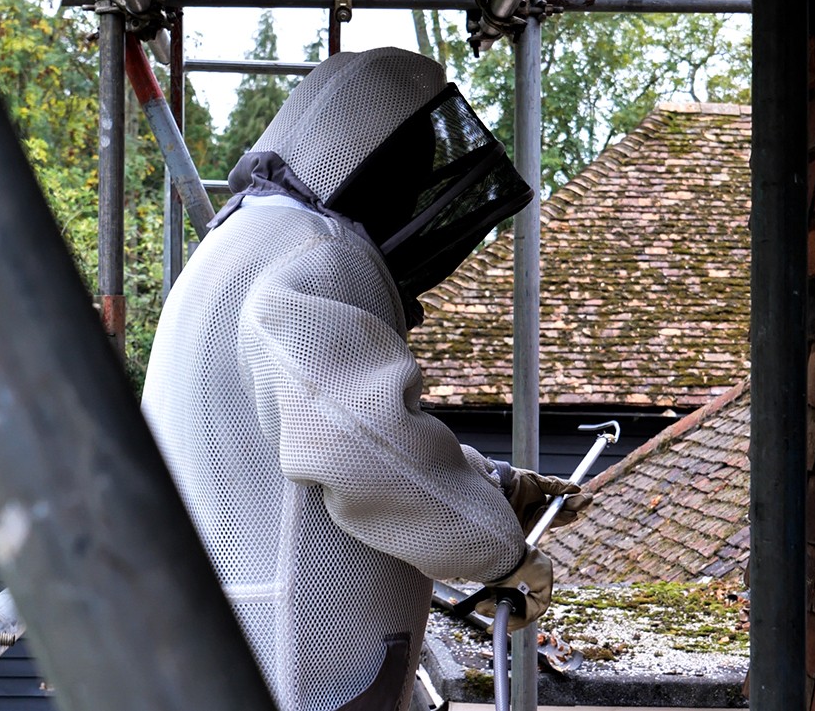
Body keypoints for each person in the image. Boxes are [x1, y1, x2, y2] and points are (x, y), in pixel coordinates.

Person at [141, 47, 591, 711]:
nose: (411, 197)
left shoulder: (245, 239)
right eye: (406, 176)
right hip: (292, 663)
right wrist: (499, 554)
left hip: (228, 644)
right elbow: (361, 446)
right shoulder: (314, 256)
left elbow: (314, 434)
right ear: (371, 168)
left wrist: (497, 485)